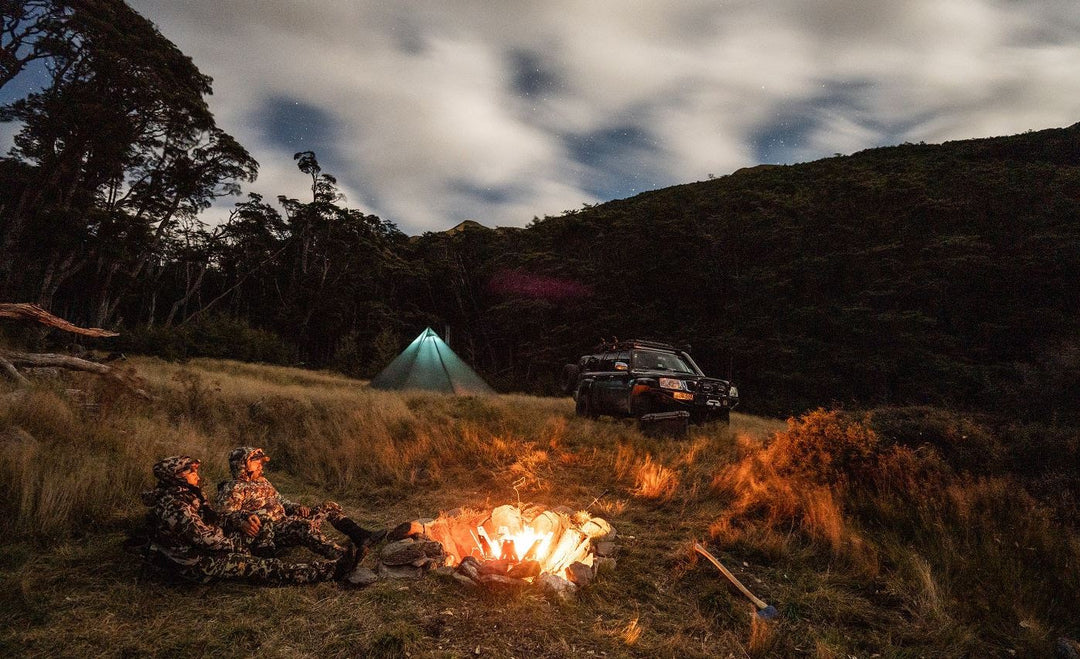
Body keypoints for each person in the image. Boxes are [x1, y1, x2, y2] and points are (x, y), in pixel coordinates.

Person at [142, 456, 359, 584]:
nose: (197, 476)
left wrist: (242, 518)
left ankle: (345, 553)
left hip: (214, 546)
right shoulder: (175, 506)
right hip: (197, 562)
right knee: (266, 568)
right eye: (191, 473)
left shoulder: (188, 495)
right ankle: (332, 571)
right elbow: (205, 539)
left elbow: (216, 518)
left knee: (267, 526)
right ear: (177, 478)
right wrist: (235, 545)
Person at [216, 446, 386, 558]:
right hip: (272, 531)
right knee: (304, 526)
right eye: (256, 463)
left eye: (261, 463)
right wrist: (241, 522)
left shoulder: (263, 482)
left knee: (329, 506)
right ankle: (342, 556)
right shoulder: (234, 488)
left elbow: (280, 500)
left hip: (287, 521)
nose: (261, 466)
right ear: (242, 465)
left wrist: (296, 507)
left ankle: (362, 537)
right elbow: (224, 516)